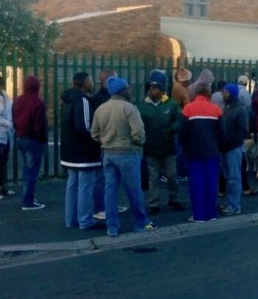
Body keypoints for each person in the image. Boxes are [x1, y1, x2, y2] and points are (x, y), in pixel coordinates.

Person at [91, 76, 154, 236]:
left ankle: (112, 227)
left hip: (108, 153)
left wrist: (105, 140)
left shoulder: (101, 109)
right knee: (134, 190)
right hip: (127, 152)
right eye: (128, 88)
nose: (130, 90)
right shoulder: (129, 108)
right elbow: (138, 132)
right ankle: (141, 222)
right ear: (123, 90)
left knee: (110, 190)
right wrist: (138, 143)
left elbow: (94, 134)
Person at [136, 69, 185, 215]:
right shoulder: (142, 106)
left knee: (171, 175)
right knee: (153, 177)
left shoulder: (171, 104)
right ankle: (154, 203)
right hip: (151, 147)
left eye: (155, 87)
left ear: (162, 90)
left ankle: (174, 199)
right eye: (150, 87)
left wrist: (172, 129)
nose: (152, 90)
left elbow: (180, 119)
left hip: (168, 146)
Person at [60, 72, 103, 230]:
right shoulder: (83, 100)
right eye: (91, 80)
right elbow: (85, 126)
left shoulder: (67, 101)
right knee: (85, 185)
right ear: (85, 83)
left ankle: (70, 219)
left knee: (72, 184)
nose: (93, 83)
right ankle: (85, 220)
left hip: (69, 150)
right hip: (84, 152)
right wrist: (98, 138)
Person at [179, 83, 223, 222]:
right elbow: (222, 133)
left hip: (194, 153)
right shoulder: (216, 109)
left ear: (195, 93)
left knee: (197, 184)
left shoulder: (188, 109)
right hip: (212, 152)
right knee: (211, 183)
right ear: (208, 93)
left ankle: (198, 215)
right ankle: (211, 214)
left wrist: (186, 149)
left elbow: (182, 133)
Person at [11, 75, 47, 210]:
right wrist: (42, 140)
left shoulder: (18, 101)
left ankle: (28, 197)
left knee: (27, 169)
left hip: (20, 137)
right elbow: (39, 126)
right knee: (32, 171)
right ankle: (28, 200)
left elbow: (14, 119)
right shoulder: (38, 103)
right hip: (33, 139)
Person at [218, 83, 249, 215]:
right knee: (228, 176)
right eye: (223, 92)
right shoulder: (227, 108)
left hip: (233, 148)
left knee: (234, 177)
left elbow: (243, 130)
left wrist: (228, 142)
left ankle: (235, 206)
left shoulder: (240, 110)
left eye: (226, 92)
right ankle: (231, 202)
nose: (223, 94)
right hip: (225, 148)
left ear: (233, 94)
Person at [91, 68, 116, 219]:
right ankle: (100, 207)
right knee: (102, 177)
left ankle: (108, 204)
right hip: (106, 142)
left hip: (106, 141)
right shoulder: (103, 99)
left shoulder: (98, 97)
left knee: (109, 177)